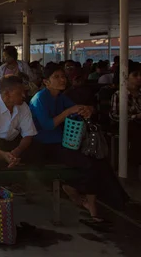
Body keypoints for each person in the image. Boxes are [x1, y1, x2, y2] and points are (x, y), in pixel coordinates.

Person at [29, 64, 128, 222]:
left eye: (63, 76)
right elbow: (48, 125)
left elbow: (77, 108)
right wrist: (69, 111)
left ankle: (116, 201)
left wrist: (87, 110)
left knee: (99, 160)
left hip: (64, 142)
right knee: (88, 164)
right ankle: (80, 195)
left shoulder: (61, 97)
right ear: (46, 82)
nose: (62, 79)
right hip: (45, 147)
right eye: (57, 77)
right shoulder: (39, 99)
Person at [110, 62, 141, 181]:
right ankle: (134, 164)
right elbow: (115, 116)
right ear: (126, 77)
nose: (139, 78)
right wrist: (136, 116)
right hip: (128, 125)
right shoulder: (119, 95)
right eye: (135, 75)